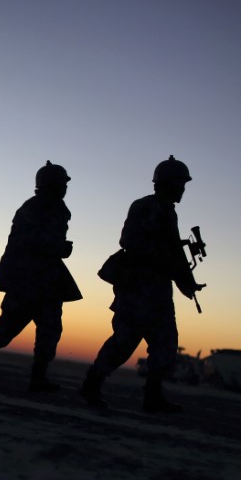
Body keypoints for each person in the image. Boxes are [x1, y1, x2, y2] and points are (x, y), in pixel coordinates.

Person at [81, 155, 204, 413]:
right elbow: (130, 242)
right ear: (166, 183)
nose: (182, 189)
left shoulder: (169, 212)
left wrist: (187, 283)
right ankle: (92, 385)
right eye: (179, 183)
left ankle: (153, 397)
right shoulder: (146, 206)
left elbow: (174, 254)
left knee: (166, 344)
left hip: (157, 290)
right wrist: (162, 255)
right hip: (138, 288)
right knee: (124, 341)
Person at [0, 161, 82, 391]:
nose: (64, 188)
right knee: (9, 325)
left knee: (50, 330)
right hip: (26, 278)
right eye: (61, 183)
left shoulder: (58, 209)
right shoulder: (34, 208)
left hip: (48, 280)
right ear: (49, 184)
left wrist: (58, 248)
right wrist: (57, 247)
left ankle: (38, 378)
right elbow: (29, 241)